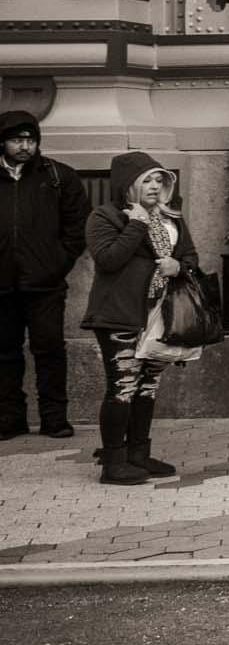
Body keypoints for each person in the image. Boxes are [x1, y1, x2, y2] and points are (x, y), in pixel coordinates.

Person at [81, 153, 198, 484]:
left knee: (147, 387)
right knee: (124, 386)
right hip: (120, 315)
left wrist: (179, 266)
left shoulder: (171, 217)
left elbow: (190, 255)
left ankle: (139, 454)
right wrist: (138, 223)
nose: (154, 186)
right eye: (146, 180)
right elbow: (108, 259)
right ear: (127, 184)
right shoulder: (104, 216)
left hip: (161, 314)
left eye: (159, 180)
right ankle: (113, 463)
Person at [0, 109, 93, 440]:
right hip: (2, 285)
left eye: (30, 140)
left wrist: (57, 262)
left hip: (45, 285)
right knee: (4, 354)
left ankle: (54, 418)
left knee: (50, 351)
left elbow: (78, 226)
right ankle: (10, 418)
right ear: (2, 142)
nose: (24, 146)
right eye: (16, 140)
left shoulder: (57, 176)